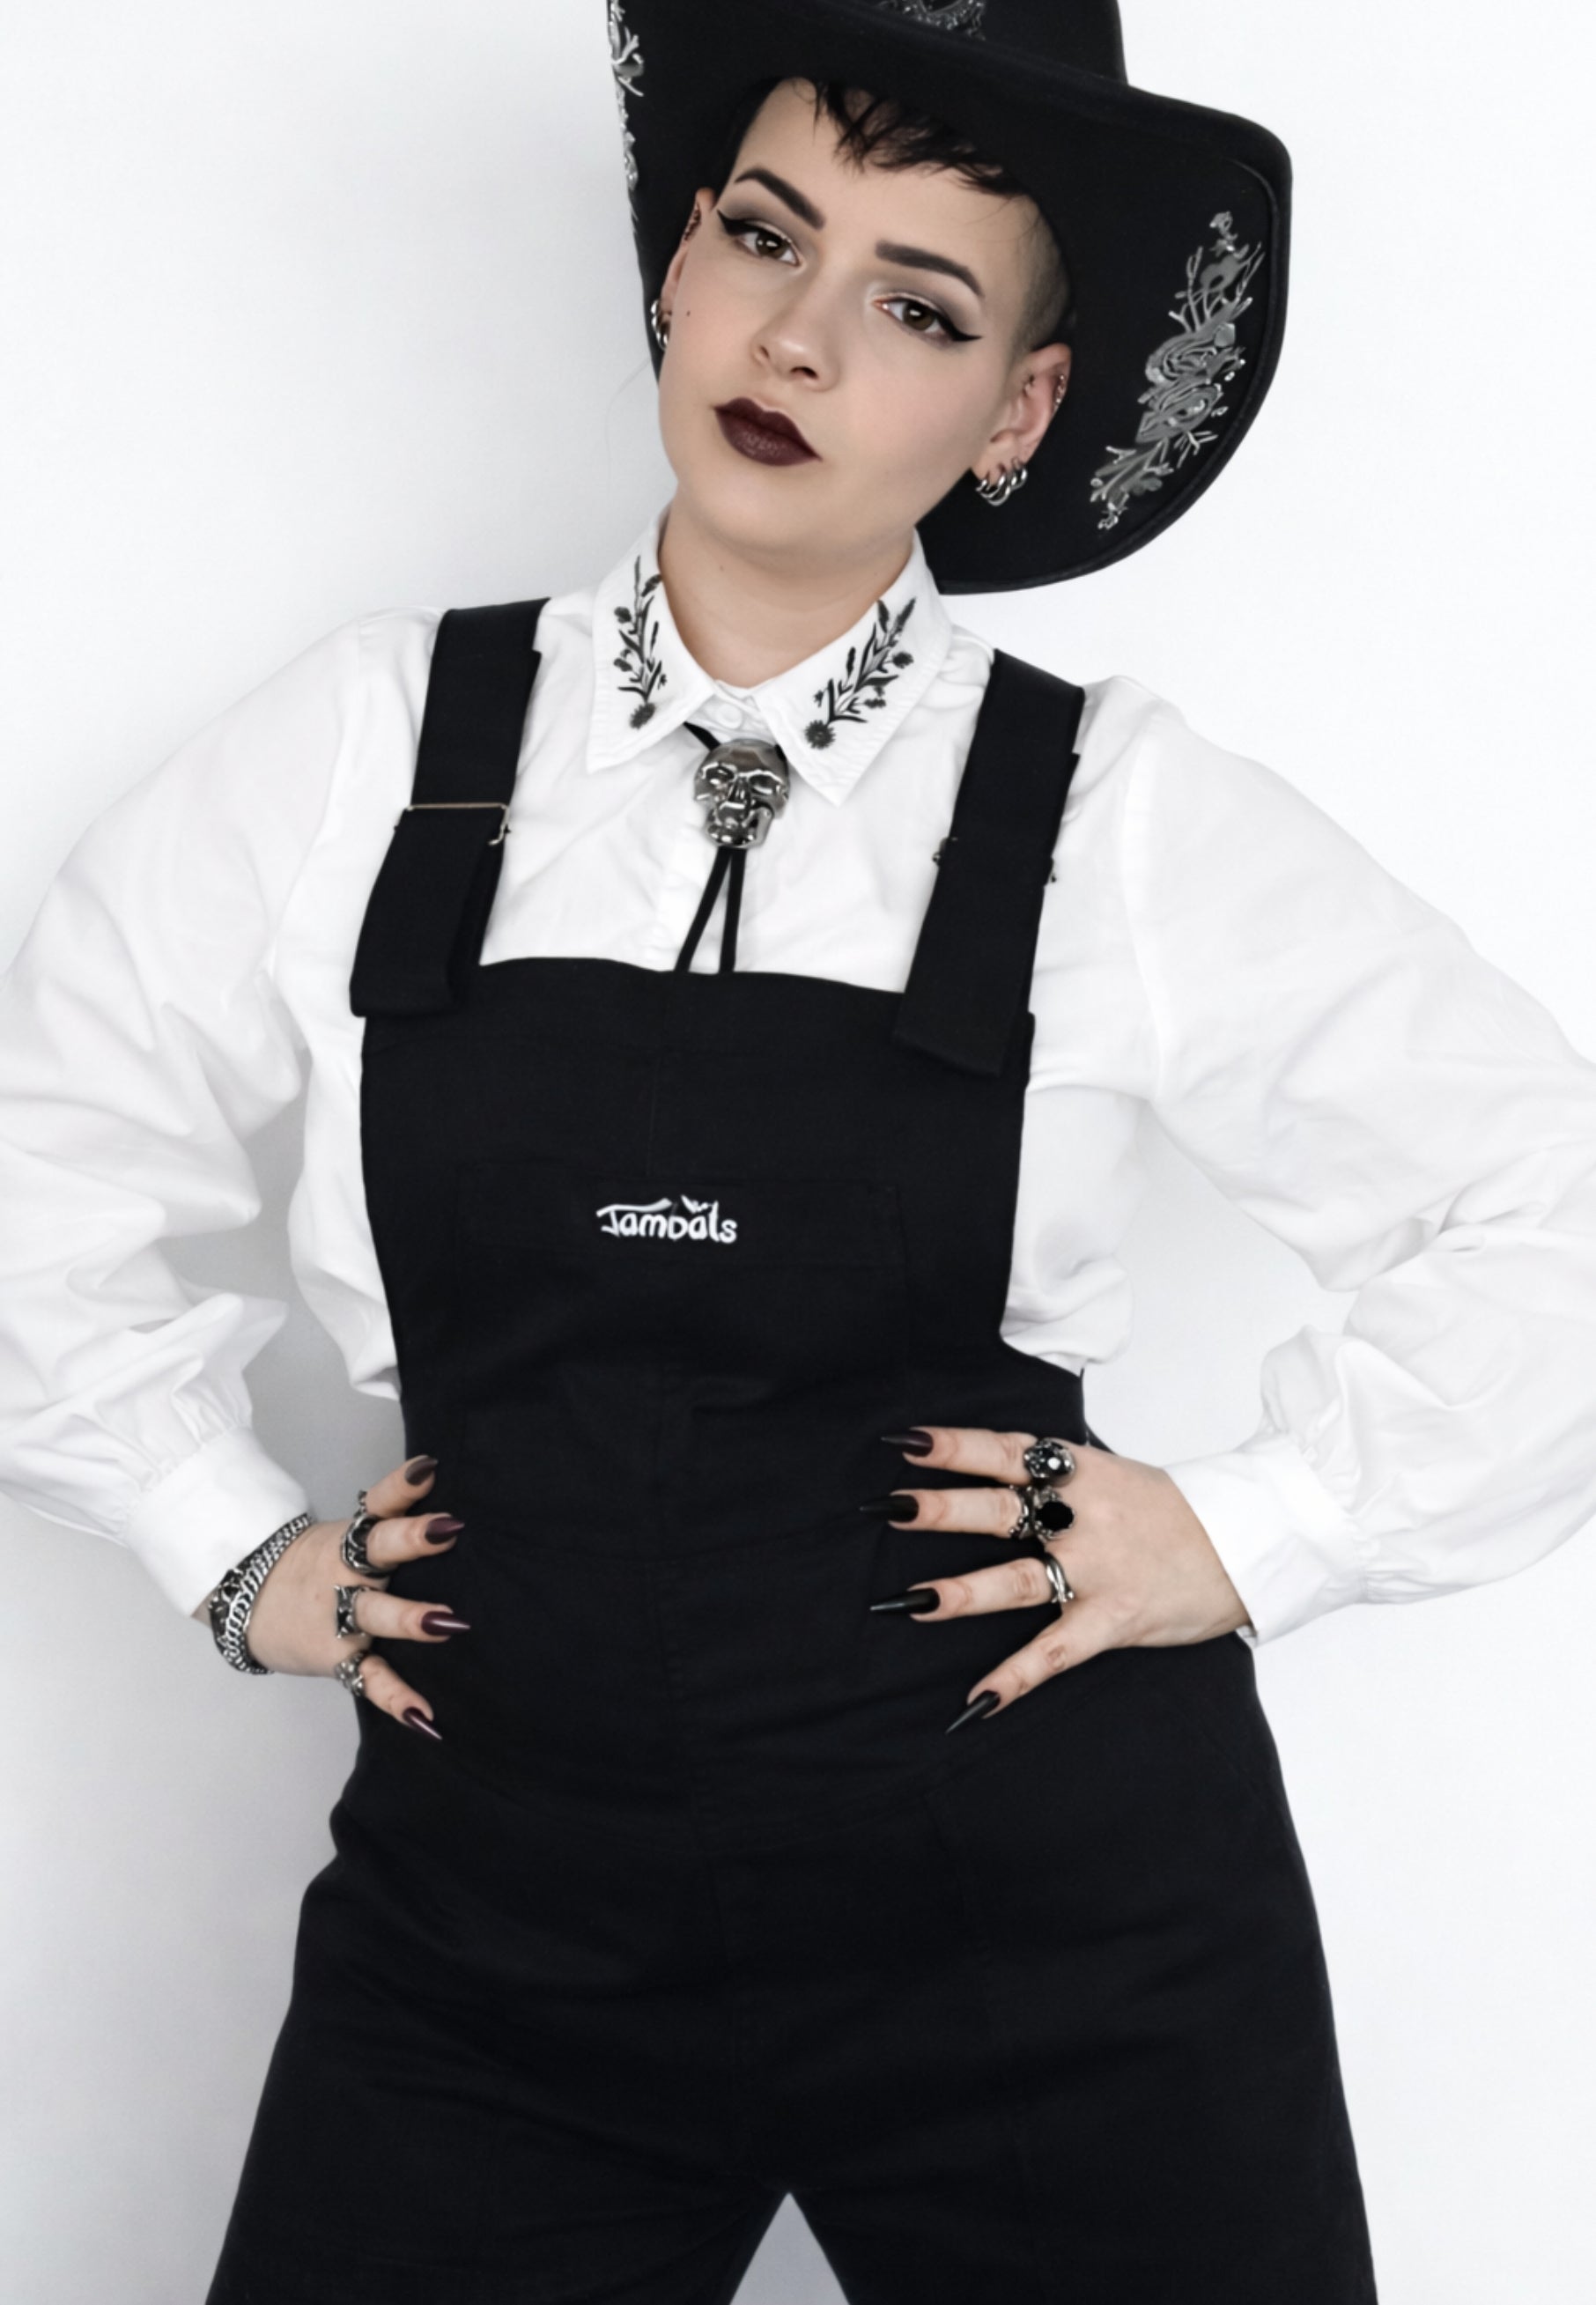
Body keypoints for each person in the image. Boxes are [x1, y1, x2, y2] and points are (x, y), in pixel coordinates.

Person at [1, 2, 1593, 2298]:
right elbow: (46, 1151)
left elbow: (1546, 1195)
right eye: (766, 235)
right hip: (499, 1940)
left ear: (1017, 409)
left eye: (916, 304)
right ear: (677, 262)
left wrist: (1255, 1528)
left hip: (1053, 1940)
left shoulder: (1117, 820)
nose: (798, 336)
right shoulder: (366, 749)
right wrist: (223, 1544)